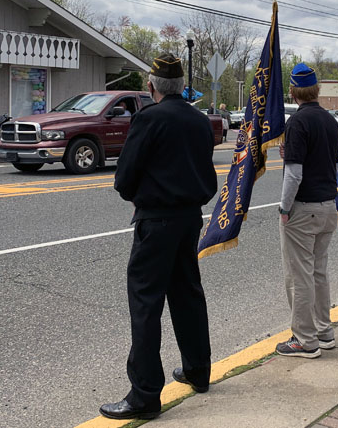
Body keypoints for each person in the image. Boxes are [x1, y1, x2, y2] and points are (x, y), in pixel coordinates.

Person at [102, 53, 218, 421]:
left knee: (146, 302)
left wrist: (137, 193)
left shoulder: (148, 118)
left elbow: (124, 177)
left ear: (151, 87)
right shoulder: (201, 121)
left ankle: (145, 394)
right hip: (189, 218)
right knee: (187, 293)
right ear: (182, 87)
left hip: (157, 220)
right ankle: (198, 370)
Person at [276, 63, 338, 359]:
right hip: (329, 205)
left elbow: (294, 174)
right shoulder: (330, 121)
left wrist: (284, 207)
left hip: (304, 208)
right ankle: (324, 331)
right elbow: (331, 162)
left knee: (298, 276)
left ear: (293, 91)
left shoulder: (297, 123)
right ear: (317, 90)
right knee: (318, 272)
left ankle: (305, 339)